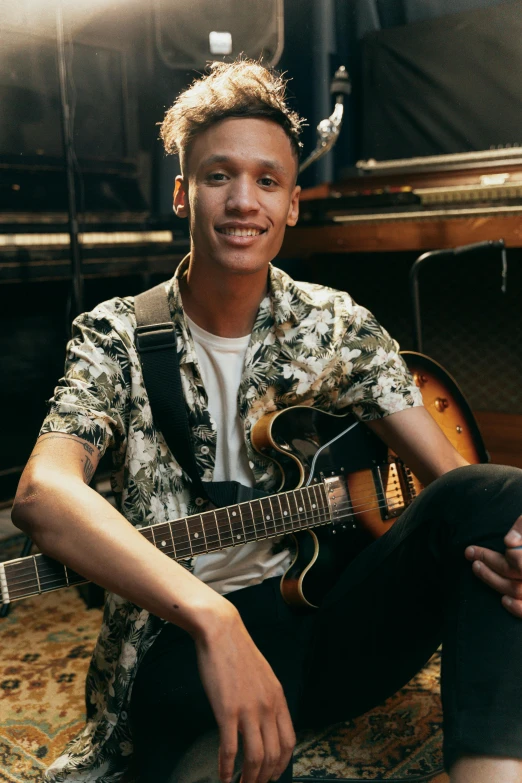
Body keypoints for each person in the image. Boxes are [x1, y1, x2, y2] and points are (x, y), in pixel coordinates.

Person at [12, 60, 522, 783]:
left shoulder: (335, 323)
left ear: (291, 206)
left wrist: (511, 547)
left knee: (502, 497)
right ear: (183, 193)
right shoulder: (115, 336)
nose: (242, 200)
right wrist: (213, 618)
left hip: (330, 623)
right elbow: (41, 494)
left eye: (267, 181)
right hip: (181, 648)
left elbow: (456, 490)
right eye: (219, 176)